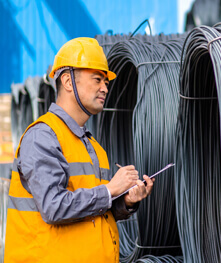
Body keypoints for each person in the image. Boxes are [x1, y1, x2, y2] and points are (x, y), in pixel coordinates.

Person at [4, 37, 154, 263]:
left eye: (106, 81)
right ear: (67, 81)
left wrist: (126, 201)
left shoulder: (93, 147)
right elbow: (54, 206)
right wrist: (110, 190)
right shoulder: (43, 137)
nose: (105, 88)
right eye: (97, 79)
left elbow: (96, 210)